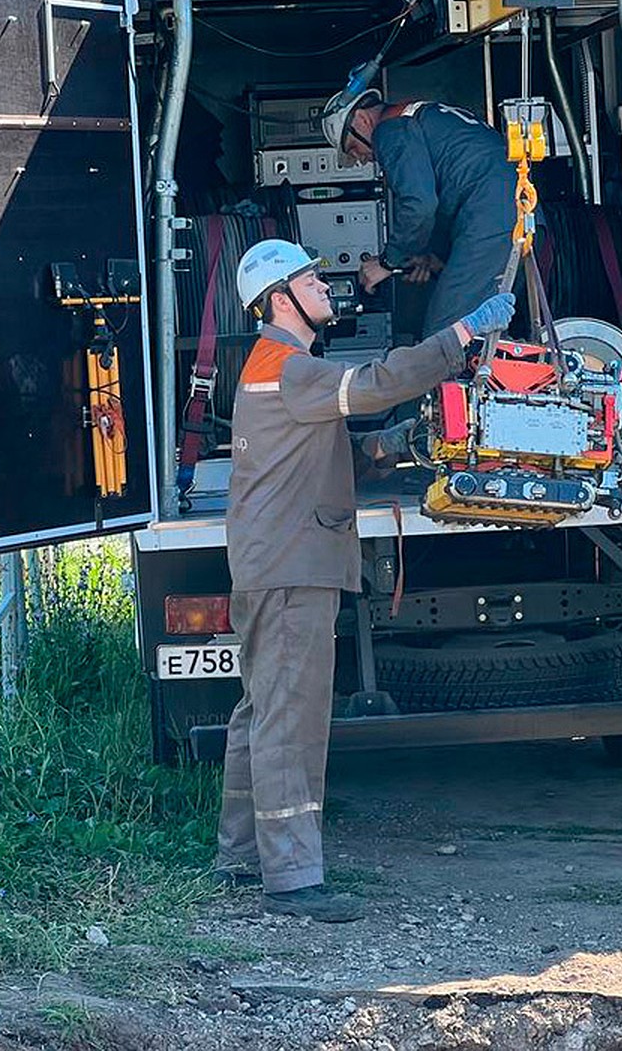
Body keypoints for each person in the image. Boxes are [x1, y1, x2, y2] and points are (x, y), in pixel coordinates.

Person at [217, 237, 515, 922]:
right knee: (290, 717)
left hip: (276, 562)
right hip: (292, 566)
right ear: (277, 298)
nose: (326, 286)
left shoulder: (284, 371)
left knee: (260, 711)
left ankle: (239, 856)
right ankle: (292, 879)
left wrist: (400, 442)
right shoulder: (287, 368)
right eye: (310, 279)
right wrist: (460, 336)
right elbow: (378, 381)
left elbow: (332, 450)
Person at [320, 87, 521, 337]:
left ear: (362, 119)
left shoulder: (390, 130)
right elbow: (453, 182)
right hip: (516, 218)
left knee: (444, 340)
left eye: (352, 149)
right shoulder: (423, 115)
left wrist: (387, 262)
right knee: (493, 333)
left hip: (490, 224)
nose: (361, 159)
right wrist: (432, 257)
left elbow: (419, 205)